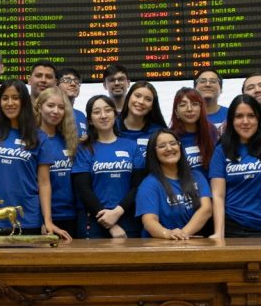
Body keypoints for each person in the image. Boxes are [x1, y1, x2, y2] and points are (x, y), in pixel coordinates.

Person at [0, 79, 71, 239]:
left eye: (15, 98)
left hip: (28, 218)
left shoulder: (39, 137)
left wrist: (48, 221)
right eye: (5, 98)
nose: (10, 103)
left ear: (24, 101)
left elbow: (44, 183)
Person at [209, 95, 261, 239]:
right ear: (231, 120)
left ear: (259, 119)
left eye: (251, 116)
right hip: (232, 226)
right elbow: (218, 195)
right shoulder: (221, 150)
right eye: (239, 116)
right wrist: (219, 233)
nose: (245, 122)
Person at [72, 95, 144, 238]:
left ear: (115, 115)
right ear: (90, 120)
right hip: (93, 221)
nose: (103, 116)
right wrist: (110, 224)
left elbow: (138, 186)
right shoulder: (83, 149)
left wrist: (117, 212)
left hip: (127, 219)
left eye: (107, 110)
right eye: (97, 112)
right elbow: (84, 190)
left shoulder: (132, 147)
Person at [136, 129, 212, 240]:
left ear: (179, 146)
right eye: (162, 146)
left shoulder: (197, 176)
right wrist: (168, 234)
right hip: (161, 246)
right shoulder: (149, 184)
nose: (169, 148)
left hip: (191, 243)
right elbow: (149, 221)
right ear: (154, 152)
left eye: (173, 143)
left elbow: (206, 209)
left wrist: (181, 234)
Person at [34, 86, 79, 237]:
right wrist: (42, 220)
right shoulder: (31, 139)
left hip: (70, 215)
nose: (56, 111)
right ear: (39, 107)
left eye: (61, 107)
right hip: (41, 218)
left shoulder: (69, 140)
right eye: (50, 105)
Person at [168, 87, 217, 177]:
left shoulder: (211, 131)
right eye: (183, 105)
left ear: (201, 108)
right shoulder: (170, 137)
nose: (189, 109)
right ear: (176, 112)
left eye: (194, 104)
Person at [118, 81, 167, 151]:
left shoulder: (158, 132)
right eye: (137, 96)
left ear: (152, 106)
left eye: (148, 99)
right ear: (128, 97)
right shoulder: (112, 127)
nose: (141, 102)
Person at [56, 66, 87, 135]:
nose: (73, 84)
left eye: (76, 81)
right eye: (66, 80)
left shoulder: (81, 115)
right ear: (56, 85)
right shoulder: (53, 113)